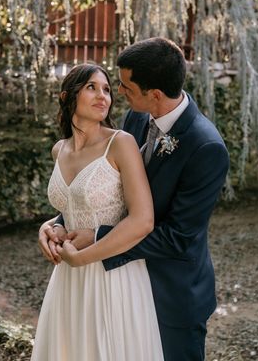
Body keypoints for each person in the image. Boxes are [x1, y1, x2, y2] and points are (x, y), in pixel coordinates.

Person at [39, 37, 230, 361]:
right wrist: (59, 223)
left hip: (171, 291)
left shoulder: (205, 146)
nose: (117, 95)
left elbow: (178, 237)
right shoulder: (138, 119)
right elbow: (111, 192)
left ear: (153, 93)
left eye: (124, 88)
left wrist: (95, 240)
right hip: (115, 282)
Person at [31, 63, 164, 360]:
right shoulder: (59, 149)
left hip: (113, 273)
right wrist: (48, 227)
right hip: (68, 276)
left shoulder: (120, 144)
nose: (102, 95)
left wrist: (81, 259)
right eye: (91, 87)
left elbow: (143, 219)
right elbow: (72, 208)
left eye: (106, 89)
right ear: (67, 97)